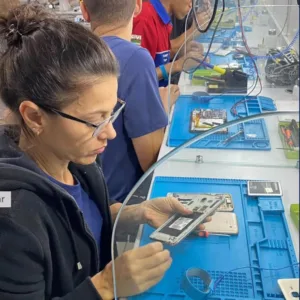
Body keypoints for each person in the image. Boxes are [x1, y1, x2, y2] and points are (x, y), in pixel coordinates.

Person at [0, 4, 211, 300]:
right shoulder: (13, 222)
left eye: (111, 114)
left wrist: (135, 213)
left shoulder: (75, 158)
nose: (110, 132)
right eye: (95, 121)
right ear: (35, 118)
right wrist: (104, 287)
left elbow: (80, 214)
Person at [80, 0, 180, 202]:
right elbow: (153, 161)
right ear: (138, 6)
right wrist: (163, 105)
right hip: (122, 204)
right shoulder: (135, 59)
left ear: (84, 11)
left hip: (87, 199)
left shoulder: (74, 53)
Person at [132, 0, 211, 86]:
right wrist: (177, 65)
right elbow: (136, 78)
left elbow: (155, 58)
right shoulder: (144, 20)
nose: (191, 5)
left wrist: (181, 51)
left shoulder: (162, 18)